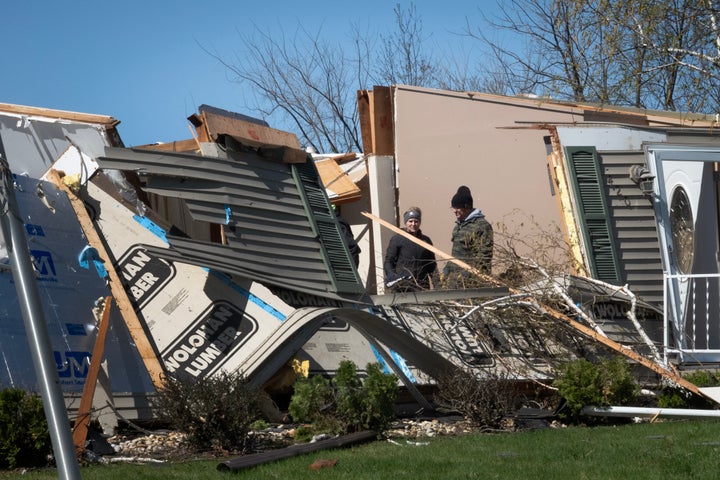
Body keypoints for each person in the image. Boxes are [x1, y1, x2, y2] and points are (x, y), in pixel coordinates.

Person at [443, 186, 493, 283]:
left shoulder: (481, 226)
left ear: (466, 206)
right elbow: (457, 254)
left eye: (457, 208)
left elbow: (484, 257)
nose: (454, 210)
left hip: (473, 283)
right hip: (455, 279)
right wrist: (448, 268)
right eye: (453, 207)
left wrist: (468, 274)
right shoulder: (458, 226)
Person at [384, 207, 437, 290]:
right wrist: (392, 276)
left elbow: (432, 266)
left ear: (419, 222)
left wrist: (438, 285)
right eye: (410, 221)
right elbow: (389, 261)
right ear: (405, 222)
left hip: (422, 286)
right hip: (403, 286)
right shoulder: (397, 239)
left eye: (416, 221)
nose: (413, 224)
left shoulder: (426, 241)